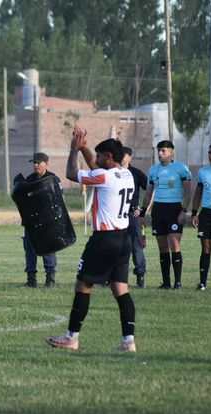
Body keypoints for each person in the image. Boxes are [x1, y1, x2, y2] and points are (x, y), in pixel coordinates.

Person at [46, 125, 137, 352]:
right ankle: (128, 341)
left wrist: (74, 150)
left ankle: (71, 337)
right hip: (124, 239)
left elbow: (70, 173)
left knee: (83, 285)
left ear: (109, 156)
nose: (94, 158)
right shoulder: (127, 174)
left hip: (104, 239)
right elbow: (97, 168)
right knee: (120, 289)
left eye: (99, 155)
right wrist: (85, 147)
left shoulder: (104, 177)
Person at [141, 140, 193, 290]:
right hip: (158, 210)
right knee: (162, 246)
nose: (160, 153)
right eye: (159, 151)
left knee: (174, 243)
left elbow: (188, 191)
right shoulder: (153, 170)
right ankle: (166, 283)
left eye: (163, 151)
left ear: (171, 152)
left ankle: (178, 283)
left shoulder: (180, 168)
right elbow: (149, 192)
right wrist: (143, 212)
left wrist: (184, 210)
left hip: (174, 209)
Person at [20, 152, 59, 288]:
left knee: (47, 248)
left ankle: (50, 278)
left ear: (46, 163)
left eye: (38, 162)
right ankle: (31, 279)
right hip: (31, 220)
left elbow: (59, 200)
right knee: (30, 250)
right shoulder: (30, 179)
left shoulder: (52, 178)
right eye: (34, 163)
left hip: (47, 220)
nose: (36, 165)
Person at [190, 143, 211, 291]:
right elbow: (198, 192)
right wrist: (195, 212)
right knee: (206, 248)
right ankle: (202, 283)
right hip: (207, 214)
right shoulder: (203, 172)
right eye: (209, 153)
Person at [121, 147, 149, 289]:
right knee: (114, 245)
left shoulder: (136, 173)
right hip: (116, 215)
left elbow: (151, 189)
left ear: (130, 157)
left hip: (132, 215)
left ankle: (140, 276)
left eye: (123, 155)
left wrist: (143, 210)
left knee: (136, 246)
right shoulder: (113, 173)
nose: (120, 156)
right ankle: (113, 277)